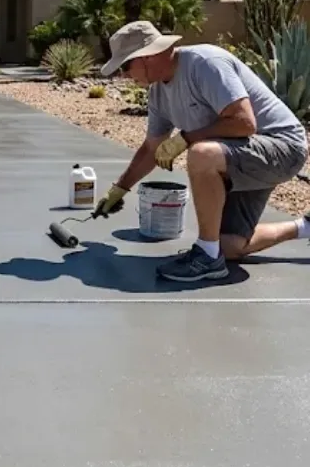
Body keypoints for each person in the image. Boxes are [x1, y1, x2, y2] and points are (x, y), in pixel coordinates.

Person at [93, 20, 309, 282]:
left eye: (125, 66)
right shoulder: (158, 93)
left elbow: (244, 123)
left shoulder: (205, 63)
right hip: (241, 156)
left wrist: (185, 138)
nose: (124, 76)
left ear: (147, 56)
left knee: (201, 154)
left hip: (282, 148)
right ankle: (304, 227)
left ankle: (207, 258)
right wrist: (119, 189)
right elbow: (152, 148)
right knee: (229, 246)